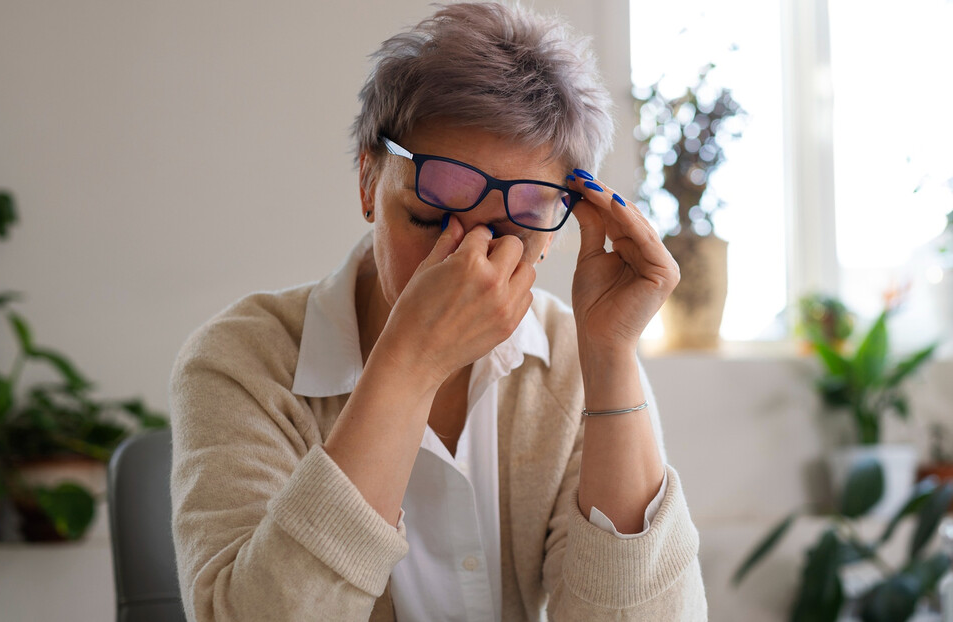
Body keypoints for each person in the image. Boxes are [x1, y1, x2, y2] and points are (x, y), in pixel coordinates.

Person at [169, 3, 707, 620]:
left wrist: (611, 358)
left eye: (512, 226)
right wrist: (410, 363)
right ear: (370, 183)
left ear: (556, 226)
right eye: (430, 213)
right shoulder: (241, 362)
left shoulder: (573, 360)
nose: (464, 262)